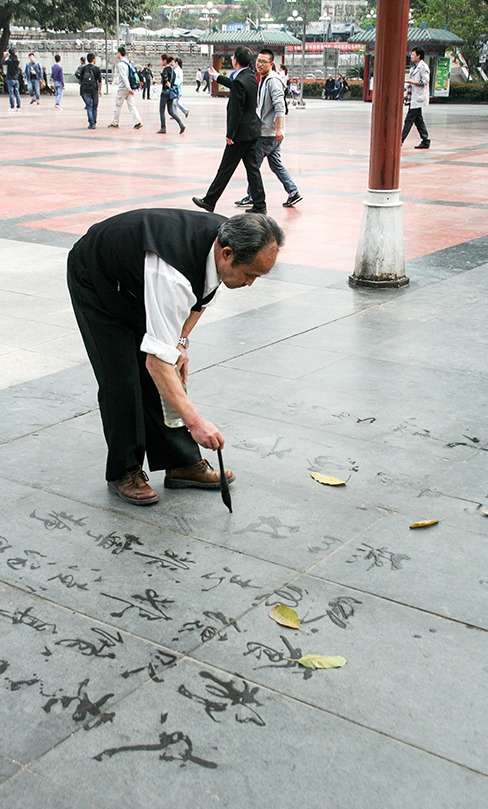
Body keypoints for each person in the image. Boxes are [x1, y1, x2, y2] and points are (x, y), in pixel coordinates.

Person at [67, 209, 284, 505]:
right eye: (249, 275)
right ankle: (125, 471)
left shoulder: (228, 239)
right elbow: (156, 363)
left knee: (165, 364)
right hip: (98, 277)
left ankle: (180, 463)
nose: (250, 284)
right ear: (227, 254)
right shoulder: (172, 275)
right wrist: (196, 422)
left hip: (137, 282)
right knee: (122, 378)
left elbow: (201, 298)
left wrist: (180, 341)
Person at [193, 46, 266, 215]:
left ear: (235, 60)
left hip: (240, 134)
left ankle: (209, 201)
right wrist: (217, 77)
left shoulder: (241, 80)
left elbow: (236, 111)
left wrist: (230, 135)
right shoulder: (250, 76)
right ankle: (260, 204)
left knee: (225, 168)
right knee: (253, 169)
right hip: (252, 131)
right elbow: (235, 85)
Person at [234, 49, 302, 211]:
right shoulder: (264, 79)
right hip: (270, 132)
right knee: (275, 164)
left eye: (264, 62)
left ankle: (252, 196)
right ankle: (293, 191)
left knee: (253, 166)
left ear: (272, 64)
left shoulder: (272, 81)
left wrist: (279, 129)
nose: (259, 64)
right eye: (258, 61)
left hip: (267, 133)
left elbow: (280, 106)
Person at [402, 47, 431, 149]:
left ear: (418, 56)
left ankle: (400, 140)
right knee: (418, 120)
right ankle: (425, 140)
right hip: (412, 97)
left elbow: (425, 81)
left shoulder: (423, 67)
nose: (411, 56)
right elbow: (410, 82)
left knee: (409, 120)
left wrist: (412, 82)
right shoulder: (414, 68)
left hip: (417, 98)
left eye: (413, 55)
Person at [108, 46, 143, 130]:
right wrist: (130, 88)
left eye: (117, 53)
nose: (117, 54)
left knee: (118, 105)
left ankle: (115, 123)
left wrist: (128, 88)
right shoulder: (128, 63)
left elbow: (124, 77)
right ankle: (138, 121)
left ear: (119, 53)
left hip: (123, 88)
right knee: (132, 105)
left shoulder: (121, 64)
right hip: (129, 88)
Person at [157, 53, 185, 135]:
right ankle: (180, 123)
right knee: (171, 111)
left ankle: (163, 127)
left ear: (165, 61)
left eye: (162, 60)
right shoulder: (173, 71)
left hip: (165, 92)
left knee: (162, 110)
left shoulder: (166, 70)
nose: (161, 62)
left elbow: (166, 79)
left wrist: (165, 81)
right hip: (171, 93)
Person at [78, 52, 102, 129]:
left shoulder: (83, 68)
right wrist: (100, 90)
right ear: (94, 59)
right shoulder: (97, 69)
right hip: (94, 89)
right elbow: (100, 81)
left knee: (88, 106)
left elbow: (81, 80)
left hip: (85, 89)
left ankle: (91, 122)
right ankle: (94, 122)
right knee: (95, 106)